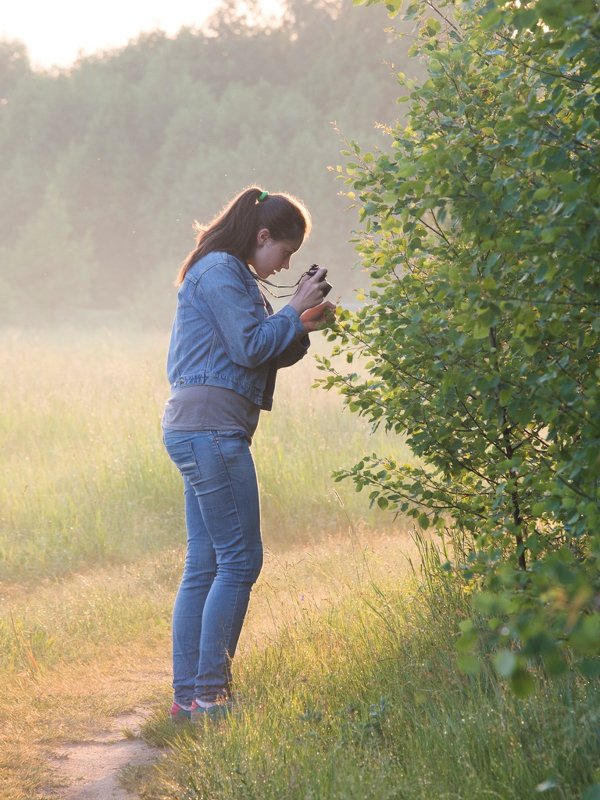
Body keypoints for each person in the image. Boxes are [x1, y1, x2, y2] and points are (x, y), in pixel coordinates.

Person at [162, 186, 335, 722]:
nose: (283, 264)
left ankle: (188, 697)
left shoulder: (230, 276)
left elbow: (262, 349)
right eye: (283, 253)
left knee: (207, 563)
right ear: (261, 237)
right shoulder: (219, 271)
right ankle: (210, 698)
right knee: (239, 560)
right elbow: (249, 346)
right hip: (211, 430)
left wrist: (300, 323)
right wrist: (291, 309)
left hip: (203, 427)